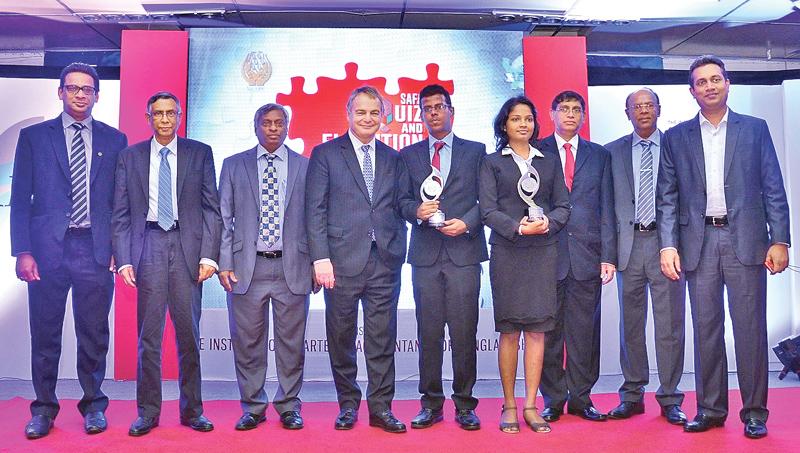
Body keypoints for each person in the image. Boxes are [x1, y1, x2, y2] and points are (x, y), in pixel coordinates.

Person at [657, 55, 790, 439]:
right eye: (702, 82)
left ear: (728, 84)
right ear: (692, 91)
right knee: (706, 331)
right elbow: (667, 196)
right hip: (697, 243)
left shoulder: (754, 129)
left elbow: (773, 188)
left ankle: (754, 412)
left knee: (749, 330)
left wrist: (779, 239)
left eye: (716, 79)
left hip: (745, 240)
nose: (710, 86)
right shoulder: (676, 137)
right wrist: (668, 246)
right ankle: (711, 409)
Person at [10, 62, 128, 439]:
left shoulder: (115, 140)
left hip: (95, 249)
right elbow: (20, 199)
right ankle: (43, 409)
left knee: (94, 334)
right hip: (46, 252)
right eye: (73, 87)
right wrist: (23, 251)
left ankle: (94, 405)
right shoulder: (34, 137)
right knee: (45, 335)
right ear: (60, 92)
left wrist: (118, 249)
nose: (80, 94)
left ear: (97, 94)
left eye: (87, 89)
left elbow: (121, 202)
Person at [112, 91, 222, 436]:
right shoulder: (130, 157)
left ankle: (192, 411)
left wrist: (209, 254)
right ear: (148, 118)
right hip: (148, 246)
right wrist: (124, 258)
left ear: (179, 117)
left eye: (170, 113)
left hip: (186, 246)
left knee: (189, 334)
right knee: (150, 336)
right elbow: (120, 214)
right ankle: (147, 412)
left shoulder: (199, 153)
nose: (164, 119)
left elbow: (211, 209)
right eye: (158, 113)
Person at [305, 86, 408, 433]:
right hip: (340, 263)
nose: (368, 119)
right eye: (361, 112)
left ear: (382, 117)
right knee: (342, 338)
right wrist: (320, 258)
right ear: (348, 114)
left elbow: (400, 205)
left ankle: (381, 408)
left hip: (384, 261)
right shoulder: (325, 154)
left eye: (374, 113)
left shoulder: (395, 159)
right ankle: (348, 405)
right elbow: (315, 209)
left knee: (382, 340)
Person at [218, 103, 313, 431]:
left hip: (293, 266)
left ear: (288, 126)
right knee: (248, 342)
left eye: (279, 122)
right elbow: (223, 218)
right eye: (266, 123)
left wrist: (316, 262)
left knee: (291, 343)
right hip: (248, 268)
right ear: (255, 126)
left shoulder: (305, 166)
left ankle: (289, 405)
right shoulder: (233, 165)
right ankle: (253, 406)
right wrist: (224, 264)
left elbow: (315, 220)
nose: (273, 128)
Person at [479, 96, 571, 433]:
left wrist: (547, 222)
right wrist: (516, 227)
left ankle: (532, 405)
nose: (523, 124)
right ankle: (509, 406)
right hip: (508, 251)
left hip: (543, 252)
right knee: (509, 331)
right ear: (504, 125)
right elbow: (487, 210)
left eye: (528, 119)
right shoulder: (491, 163)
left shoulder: (548, 162)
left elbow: (563, 205)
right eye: (516, 119)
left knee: (536, 331)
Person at [398, 84, 487, 430]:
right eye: (427, 108)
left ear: (451, 111)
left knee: (465, 334)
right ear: (421, 115)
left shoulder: (476, 152)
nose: (433, 112)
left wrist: (466, 223)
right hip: (425, 257)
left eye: (439, 106)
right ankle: (431, 404)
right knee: (429, 334)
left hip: (464, 254)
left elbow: (487, 202)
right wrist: (416, 211)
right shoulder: (408, 155)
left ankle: (465, 404)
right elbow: (400, 201)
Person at [605, 88, 687, 425]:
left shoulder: (677, 147)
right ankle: (632, 394)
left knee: (669, 326)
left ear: (658, 109)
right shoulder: (611, 153)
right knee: (631, 326)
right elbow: (606, 210)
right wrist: (608, 254)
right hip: (628, 246)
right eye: (636, 107)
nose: (643, 111)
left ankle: (670, 397)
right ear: (627, 113)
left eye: (648, 105)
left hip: (666, 246)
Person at [538, 90, 617, 422]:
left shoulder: (599, 155)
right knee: (550, 331)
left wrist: (608, 255)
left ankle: (582, 398)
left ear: (583, 117)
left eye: (576, 110)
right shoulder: (535, 151)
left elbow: (607, 208)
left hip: (588, 256)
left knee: (585, 333)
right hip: (545, 256)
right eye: (564, 109)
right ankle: (553, 399)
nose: (570, 114)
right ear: (553, 113)